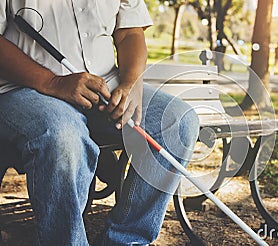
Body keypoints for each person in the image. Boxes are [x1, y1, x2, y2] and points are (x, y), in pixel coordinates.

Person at [0, 1, 199, 245]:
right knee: (63, 137)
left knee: (177, 120)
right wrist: (54, 83)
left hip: (106, 86)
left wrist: (131, 84)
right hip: (28, 89)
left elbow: (129, 32)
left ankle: (126, 240)